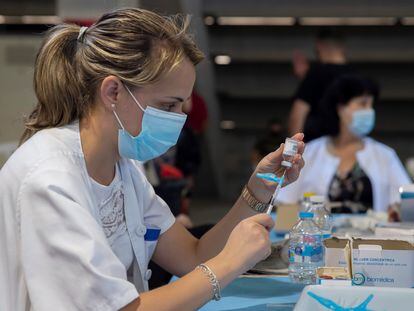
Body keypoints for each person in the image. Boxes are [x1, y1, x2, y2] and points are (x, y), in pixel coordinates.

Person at [0, 8, 305, 311]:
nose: (179, 119)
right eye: (168, 106)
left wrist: (258, 191)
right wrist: (228, 264)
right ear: (113, 92)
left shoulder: (122, 166)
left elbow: (192, 255)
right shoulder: (50, 180)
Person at [279, 75, 410, 214]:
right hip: (317, 233)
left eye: (372, 105)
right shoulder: (311, 152)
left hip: (374, 235)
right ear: (341, 108)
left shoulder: (385, 155)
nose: (370, 111)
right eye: (363, 104)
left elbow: (407, 200)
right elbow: (285, 202)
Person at [288, 27, 353, 141]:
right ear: (343, 47)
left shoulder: (315, 74)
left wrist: (294, 151)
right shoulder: (356, 76)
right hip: (347, 146)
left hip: (316, 146)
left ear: (319, 46)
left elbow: (297, 116)